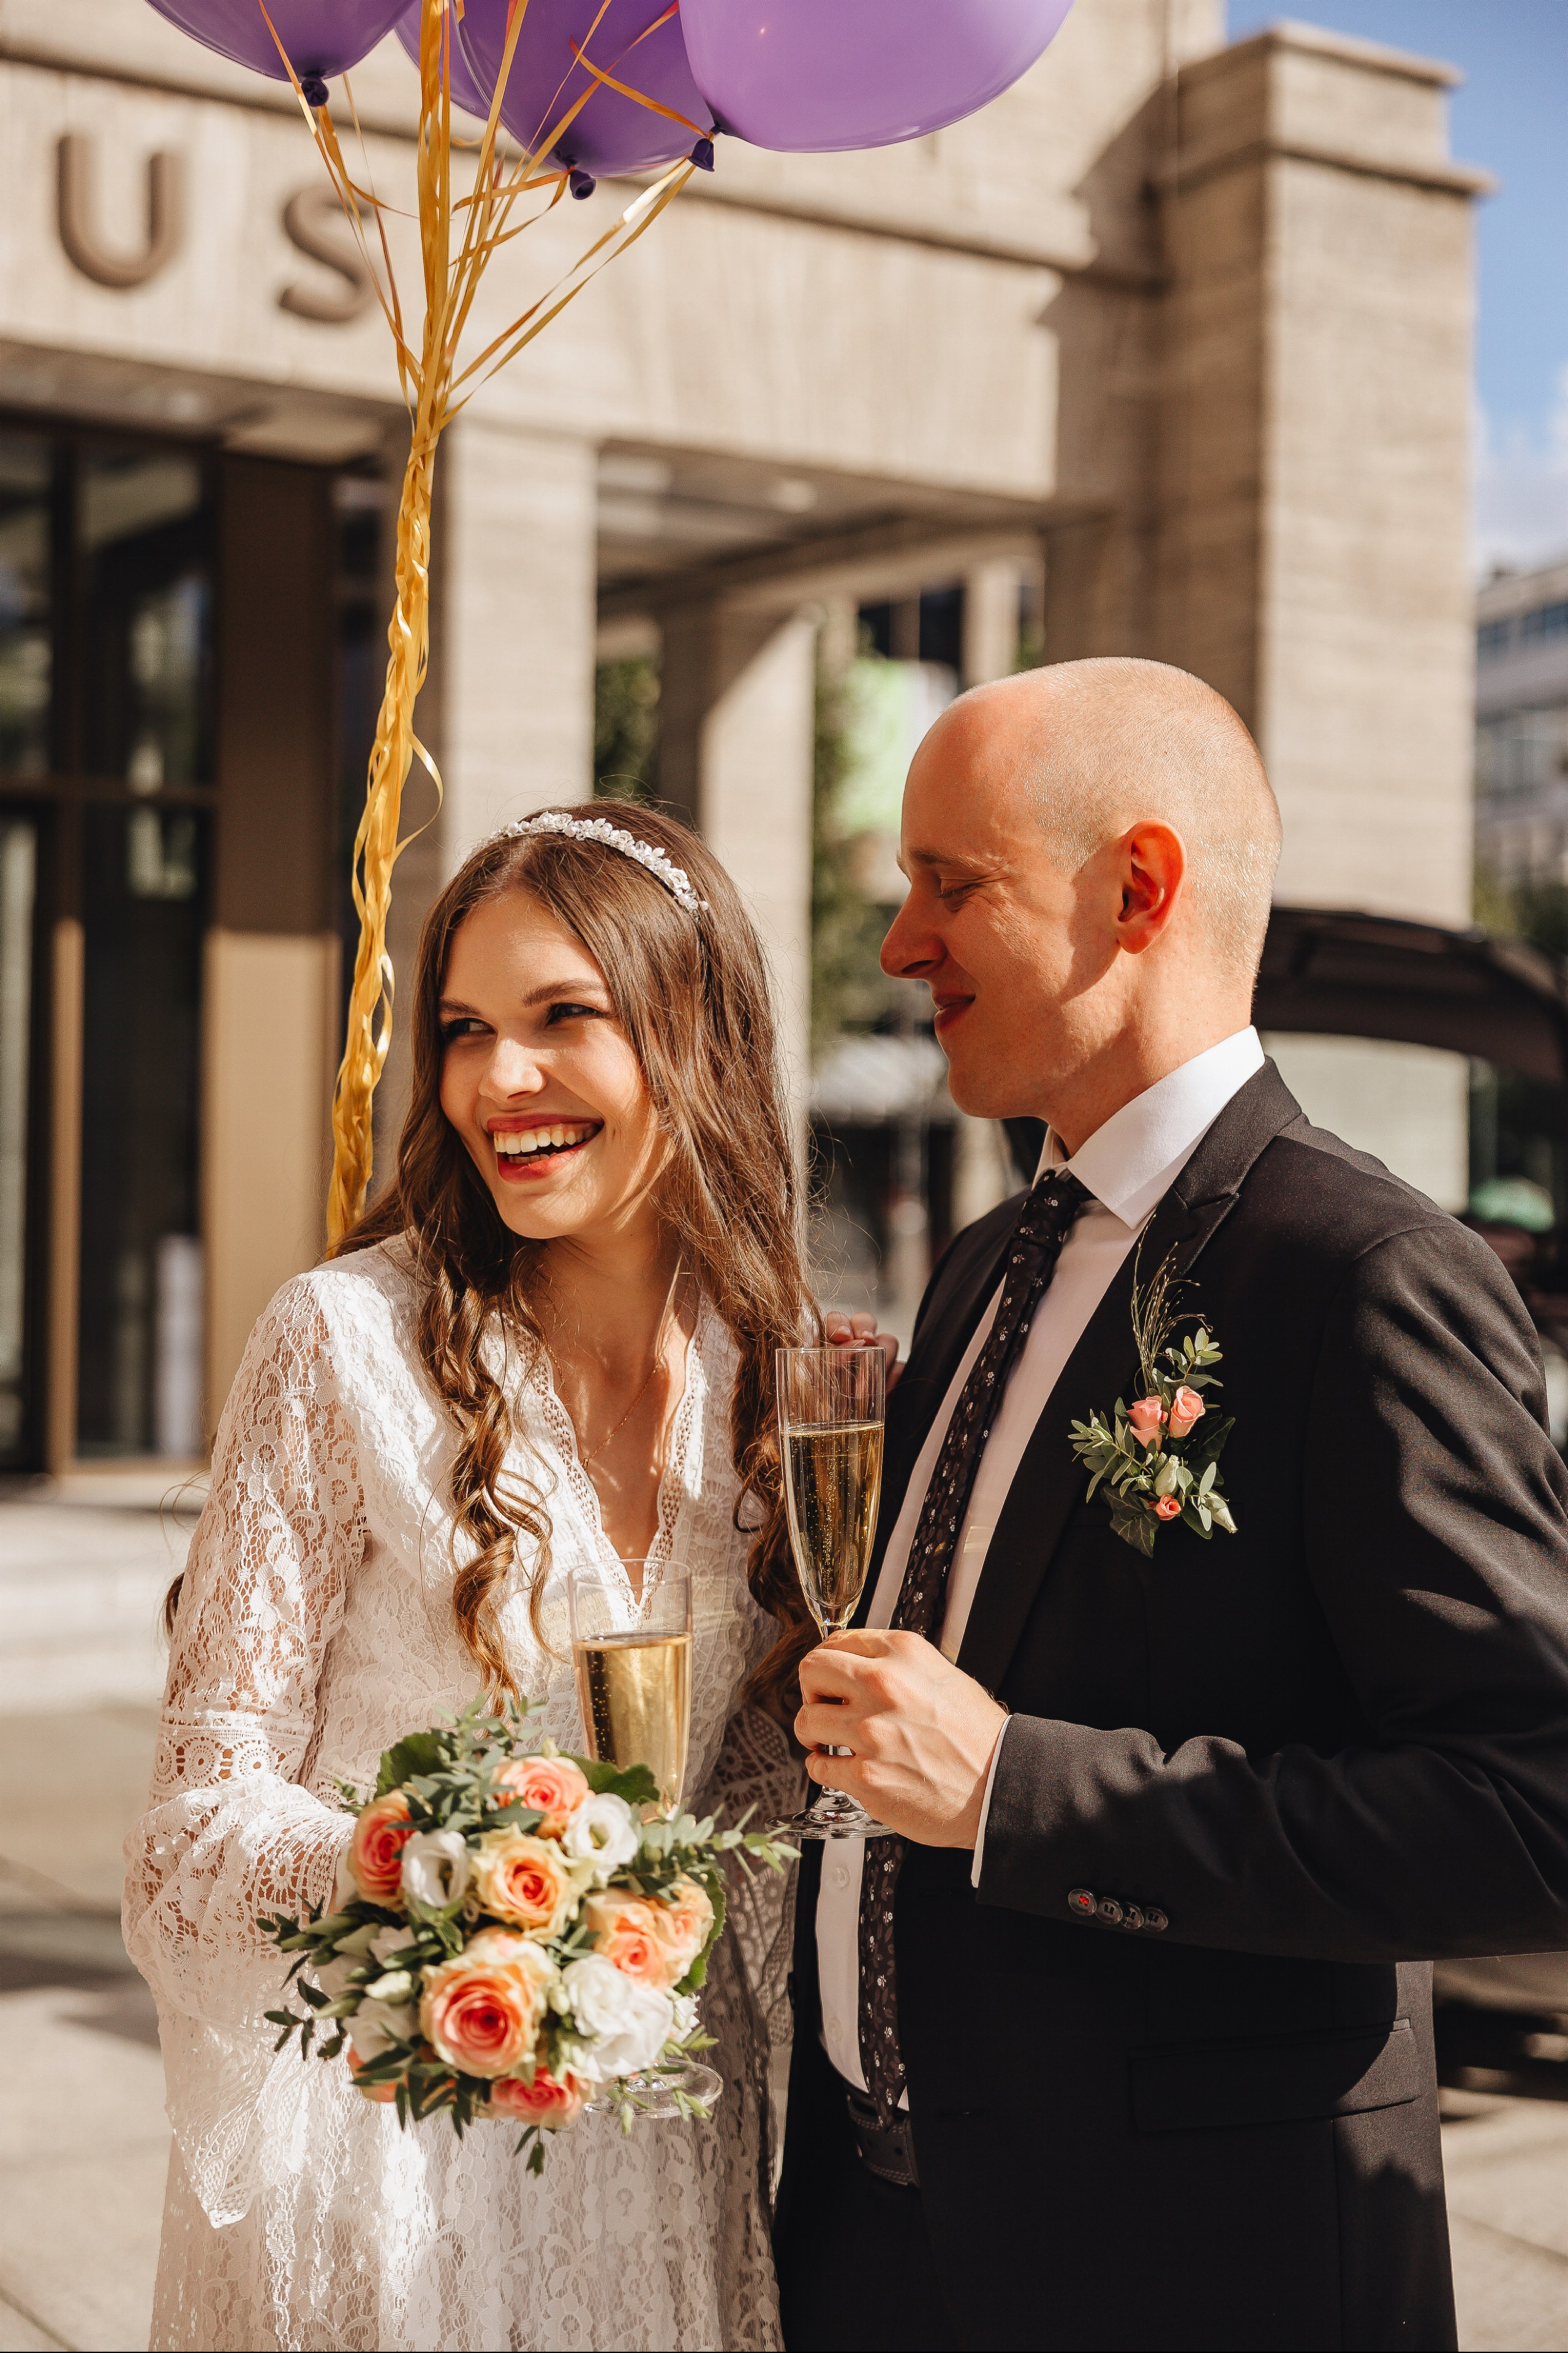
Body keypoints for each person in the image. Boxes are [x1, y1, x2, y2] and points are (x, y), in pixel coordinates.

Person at [774, 658, 1568, 2353]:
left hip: (1185, 2269)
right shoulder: (988, 1263)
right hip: (873, 2244)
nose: (905, 944)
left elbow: (1528, 1817)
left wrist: (1016, 1791)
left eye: (949, 885)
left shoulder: (1369, 1275)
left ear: (1136, 889)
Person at [126, 804, 834, 2353]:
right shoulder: (344, 1343)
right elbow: (192, 1828)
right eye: (462, 1030)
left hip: (659, 2149)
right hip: (385, 2144)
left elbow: (766, 1797)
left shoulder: (777, 1376)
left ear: (694, 1033)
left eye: (560, 1018)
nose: (496, 1083)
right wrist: (425, 1869)